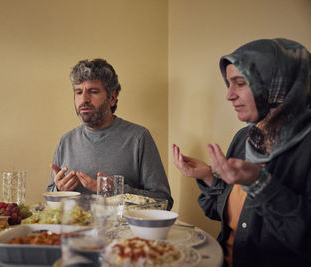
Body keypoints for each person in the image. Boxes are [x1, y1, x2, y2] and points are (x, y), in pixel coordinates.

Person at [172, 38, 311, 267]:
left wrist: (260, 184)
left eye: (240, 83)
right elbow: (228, 216)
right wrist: (207, 176)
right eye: (229, 83)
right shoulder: (246, 138)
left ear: (277, 84)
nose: (229, 95)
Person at [47, 58, 173, 210]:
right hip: (73, 231)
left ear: (112, 98)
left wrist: (116, 191)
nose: (84, 99)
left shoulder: (139, 138)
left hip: (124, 232)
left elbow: (164, 202)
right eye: (78, 92)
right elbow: (50, 198)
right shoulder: (66, 141)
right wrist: (59, 191)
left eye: (93, 91)